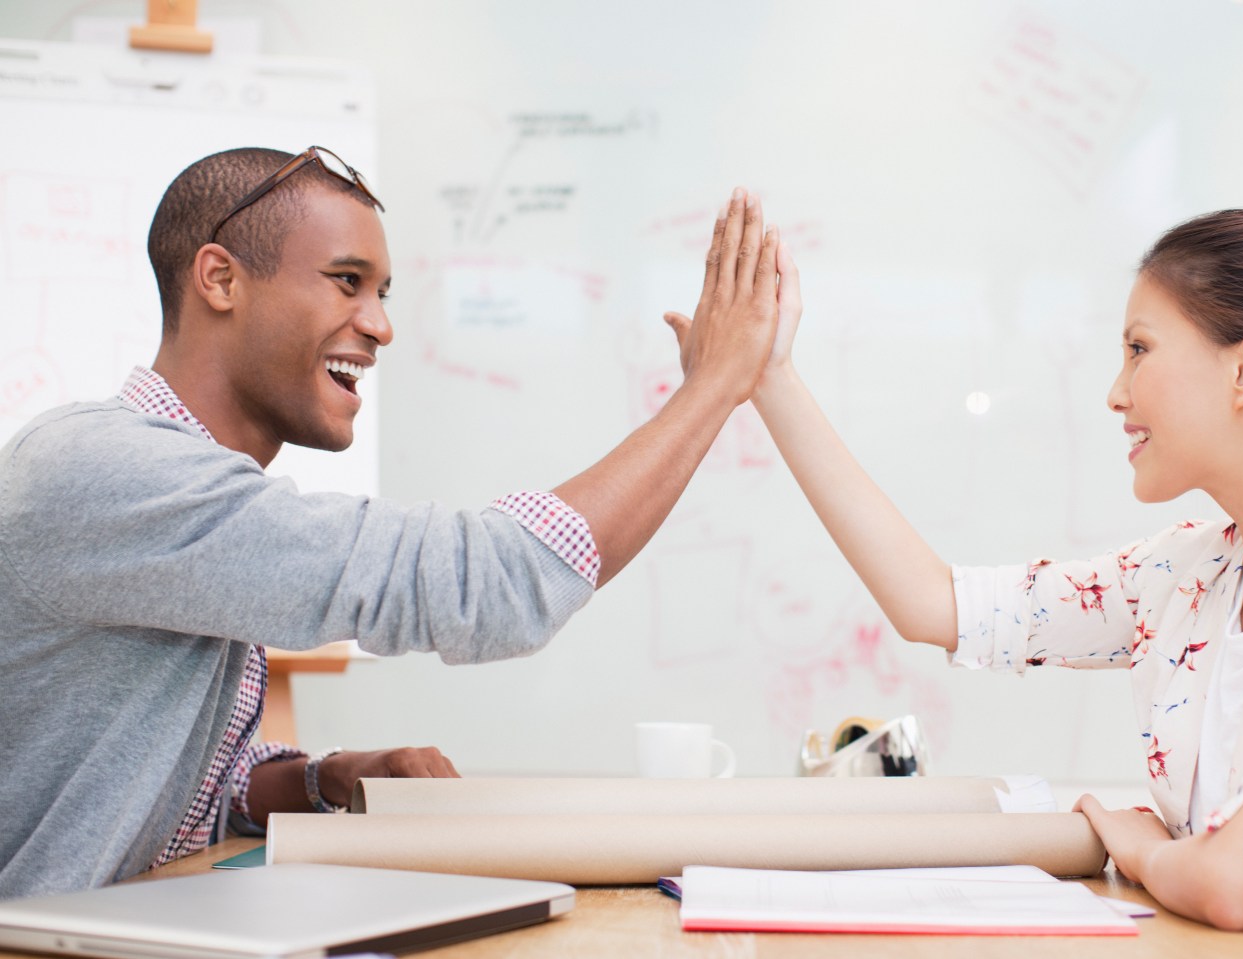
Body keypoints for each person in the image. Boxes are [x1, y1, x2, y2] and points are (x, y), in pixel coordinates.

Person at [0, 146, 780, 899]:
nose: (380, 325)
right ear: (220, 279)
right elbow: (491, 583)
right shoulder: (107, 473)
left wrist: (324, 776)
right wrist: (712, 388)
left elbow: (182, 791)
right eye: (347, 282)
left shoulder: (177, 488)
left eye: (383, 293)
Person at [666, 210, 1243, 957]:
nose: (1116, 391)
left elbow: (1240, 881)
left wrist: (1144, 850)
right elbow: (936, 603)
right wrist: (767, 377)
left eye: (1139, 349)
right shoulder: (1188, 571)